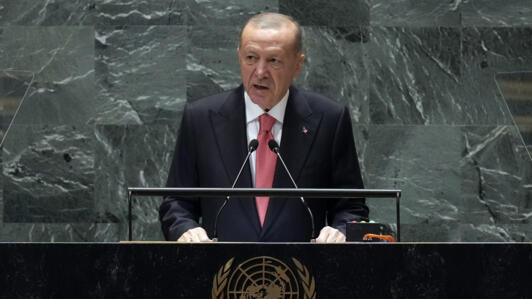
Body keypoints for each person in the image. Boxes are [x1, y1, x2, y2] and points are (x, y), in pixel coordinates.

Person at [159, 12, 368, 243]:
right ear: (238, 56)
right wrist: (186, 230)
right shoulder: (200, 119)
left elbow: (352, 208)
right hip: (222, 273)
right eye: (251, 57)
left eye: (273, 61)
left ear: (298, 65)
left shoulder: (329, 120)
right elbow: (175, 203)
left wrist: (341, 231)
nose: (259, 72)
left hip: (302, 274)